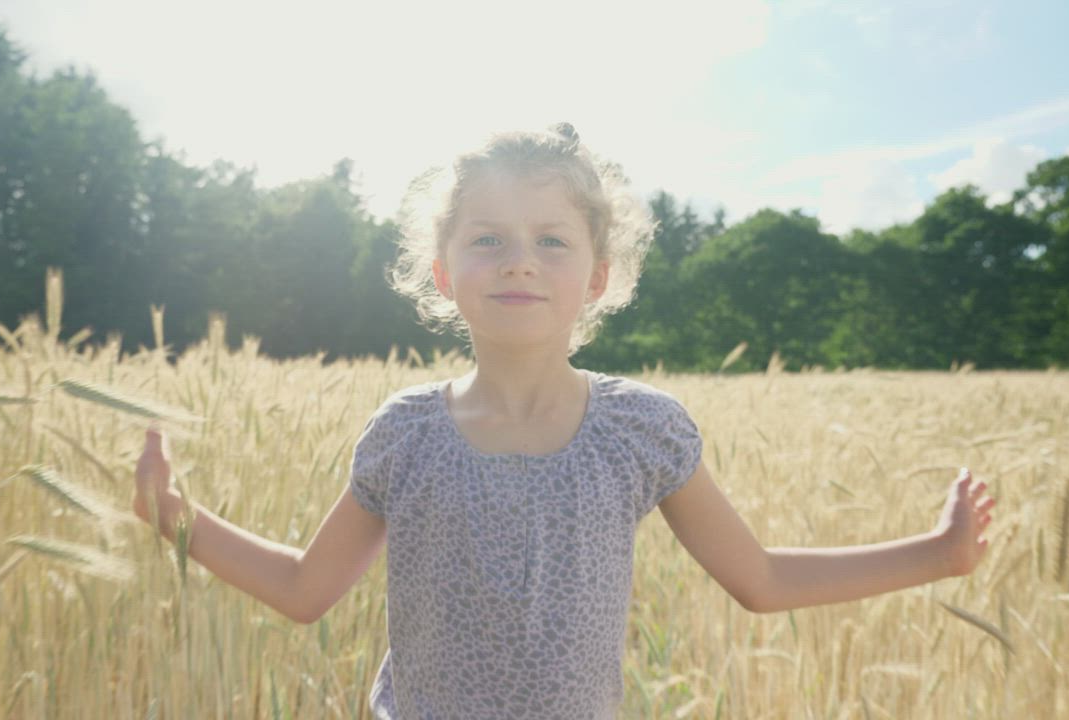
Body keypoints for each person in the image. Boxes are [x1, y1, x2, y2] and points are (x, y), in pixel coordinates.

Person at [132, 123, 997, 719]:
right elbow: (304, 592)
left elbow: (760, 580)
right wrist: (176, 517)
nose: (519, 261)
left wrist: (940, 553)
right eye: (488, 240)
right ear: (441, 272)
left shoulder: (639, 430)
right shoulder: (405, 434)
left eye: (552, 240)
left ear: (596, 276)